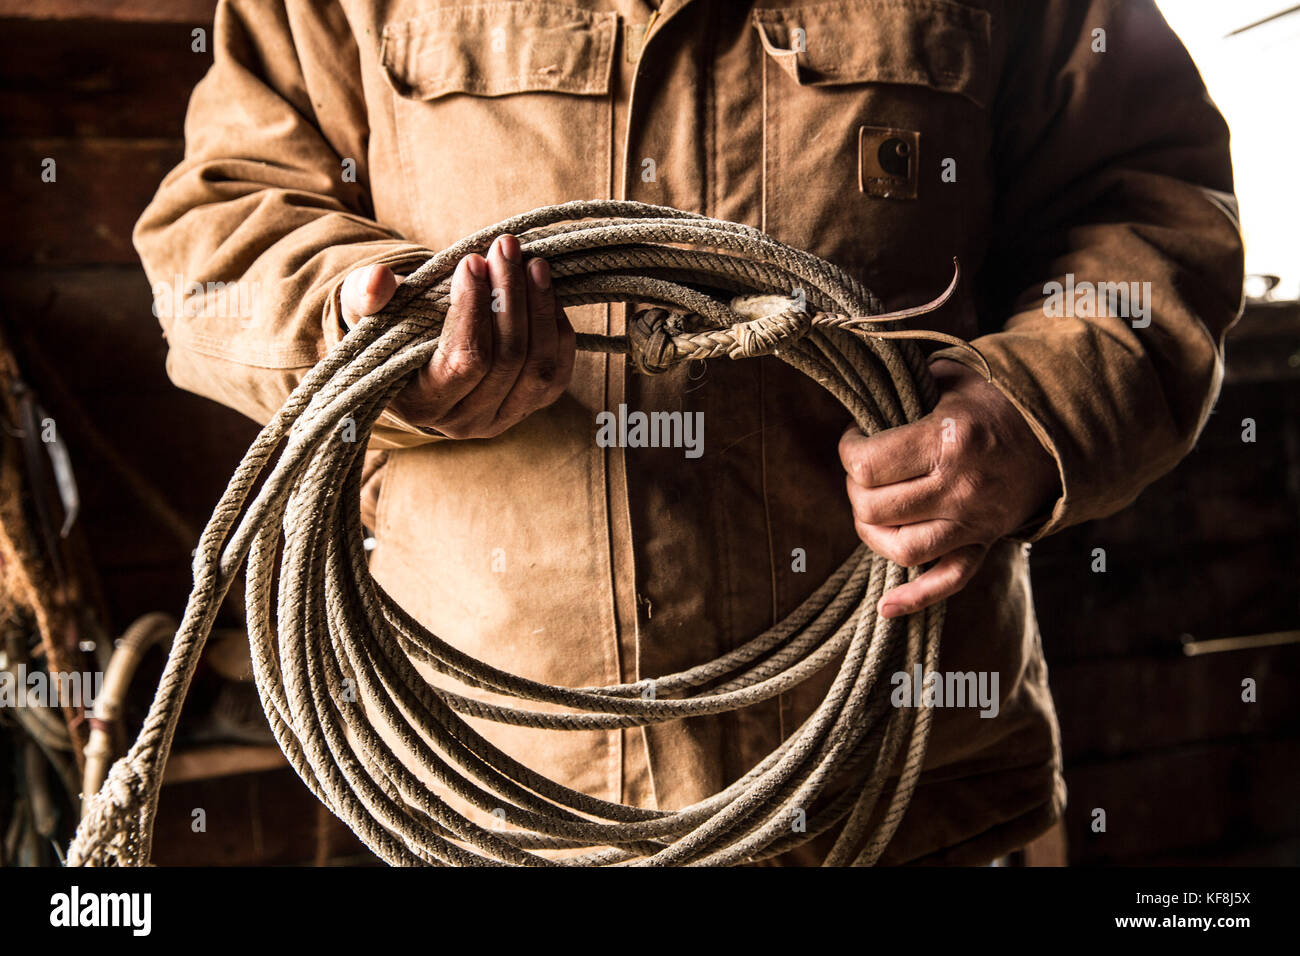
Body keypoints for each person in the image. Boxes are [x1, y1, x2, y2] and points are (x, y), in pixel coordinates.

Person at [136, 0, 1244, 864]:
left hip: (896, 794)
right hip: (494, 804)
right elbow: (216, 233)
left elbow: (1152, 210)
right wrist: (362, 325)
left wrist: (1039, 406)